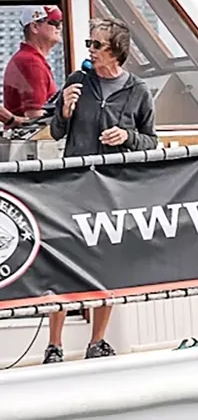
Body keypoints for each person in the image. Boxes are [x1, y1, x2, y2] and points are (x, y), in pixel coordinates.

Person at [45, 18, 158, 363]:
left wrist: (127, 138)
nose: (90, 51)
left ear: (116, 52)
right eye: (89, 44)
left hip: (112, 190)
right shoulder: (79, 81)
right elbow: (55, 132)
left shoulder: (138, 90)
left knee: (107, 261)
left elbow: (152, 141)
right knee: (61, 262)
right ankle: (54, 345)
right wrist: (64, 110)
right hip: (74, 186)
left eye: (97, 45)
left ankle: (97, 341)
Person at [2, 6, 63, 130]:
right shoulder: (31, 63)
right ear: (34, 27)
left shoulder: (27, 59)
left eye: (60, 23)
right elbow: (36, 117)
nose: (59, 28)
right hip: (30, 146)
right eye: (54, 23)